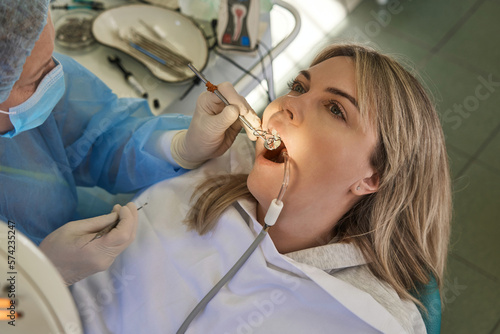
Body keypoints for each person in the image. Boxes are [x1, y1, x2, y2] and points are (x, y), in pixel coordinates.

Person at [70, 43, 452, 333]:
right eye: (298, 87)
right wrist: (14, 282)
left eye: (335, 109)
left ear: (373, 177)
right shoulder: (217, 158)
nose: (288, 105)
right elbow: (11, 311)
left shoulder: (363, 318)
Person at [0, 0, 259, 286]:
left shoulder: (22, 53)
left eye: (53, 56)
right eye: (37, 77)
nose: (55, 75)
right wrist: (37, 279)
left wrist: (178, 146)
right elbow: (9, 315)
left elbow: (99, 135)